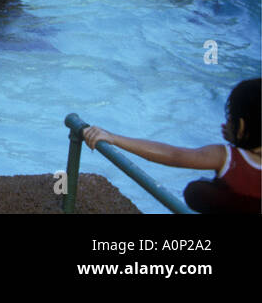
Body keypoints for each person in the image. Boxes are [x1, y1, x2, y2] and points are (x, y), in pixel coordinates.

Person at [82, 78, 260, 213]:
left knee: (196, 192)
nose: (225, 124)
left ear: (242, 125)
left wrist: (113, 138)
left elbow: (175, 155)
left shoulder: (227, 156)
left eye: (230, 119)